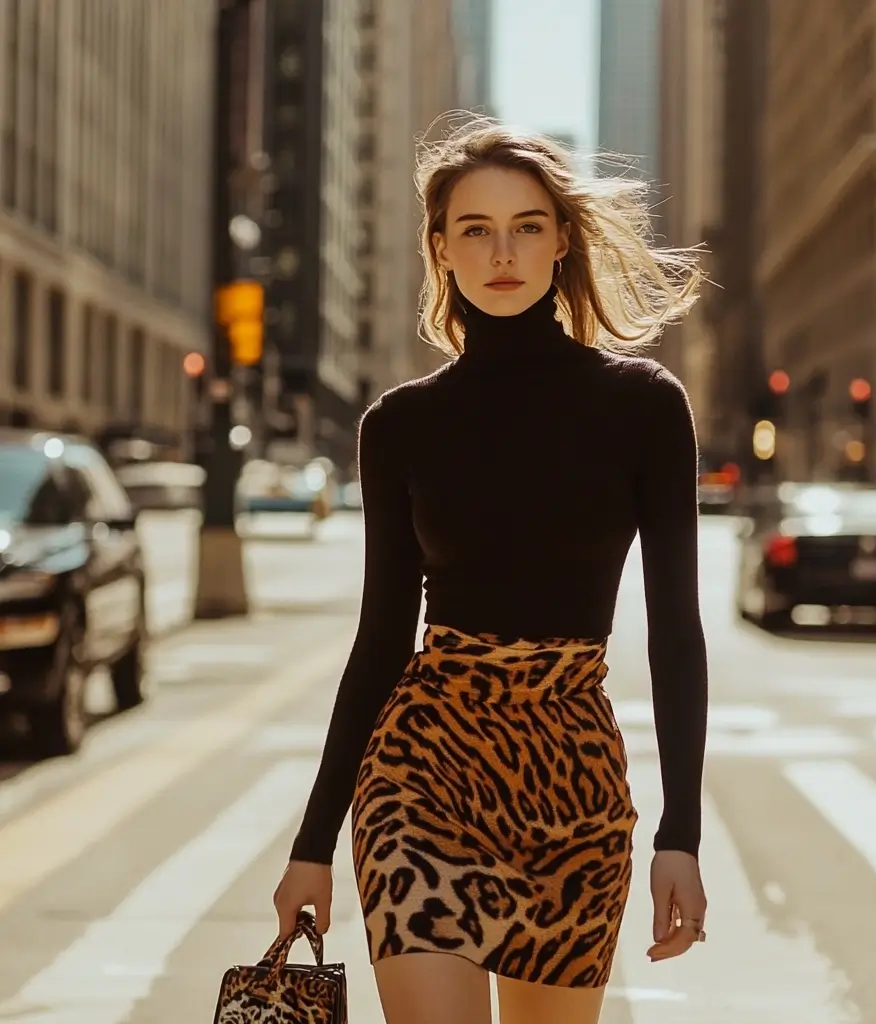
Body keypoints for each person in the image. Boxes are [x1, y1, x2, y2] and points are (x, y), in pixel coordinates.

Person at [273, 115, 710, 1024]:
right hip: (422, 776)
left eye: (526, 226)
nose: (501, 252)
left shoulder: (644, 406)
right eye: (475, 229)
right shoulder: (398, 425)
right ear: (441, 248)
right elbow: (381, 638)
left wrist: (682, 834)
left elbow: (675, 630)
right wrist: (313, 842)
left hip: (576, 789)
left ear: (560, 242)